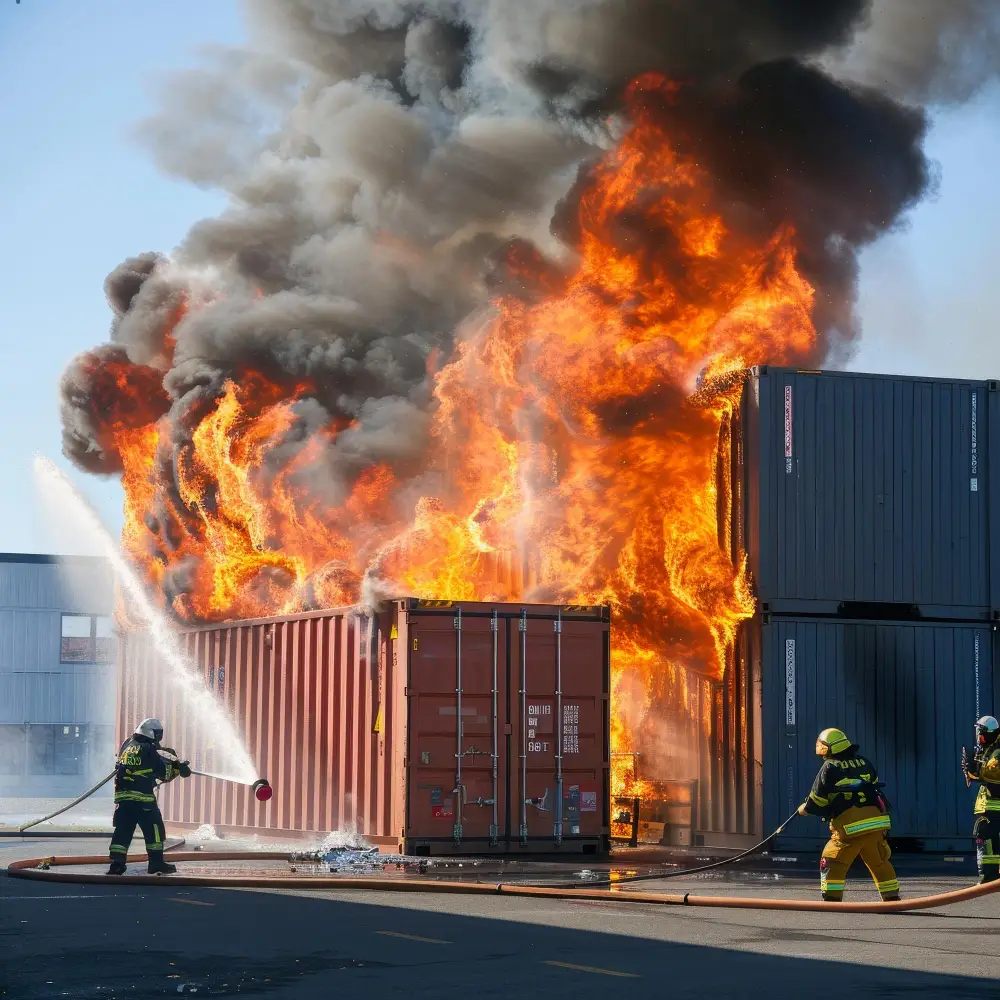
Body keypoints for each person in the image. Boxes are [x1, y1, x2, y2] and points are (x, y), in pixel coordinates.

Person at [797, 727, 900, 902]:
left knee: (832, 859)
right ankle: (891, 896)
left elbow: (818, 800)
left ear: (826, 747)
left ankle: (832, 898)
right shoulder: (864, 762)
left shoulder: (830, 766)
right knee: (878, 860)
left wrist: (804, 809)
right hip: (876, 822)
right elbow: (873, 787)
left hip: (851, 825)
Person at [108, 718, 190, 876]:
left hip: (123, 798)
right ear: (153, 734)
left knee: (123, 831)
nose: (159, 739)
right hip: (142, 799)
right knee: (155, 829)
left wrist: (169, 758)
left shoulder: (128, 744)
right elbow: (163, 773)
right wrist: (178, 768)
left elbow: (144, 763)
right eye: (158, 735)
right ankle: (156, 863)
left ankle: (116, 864)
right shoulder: (148, 749)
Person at [962, 715, 1000, 883]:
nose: (979, 738)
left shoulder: (997, 750)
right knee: (988, 837)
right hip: (990, 806)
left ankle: (989, 877)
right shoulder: (990, 748)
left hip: (995, 806)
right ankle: (990, 876)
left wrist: (973, 770)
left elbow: (992, 773)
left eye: (981, 733)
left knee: (986, 835)